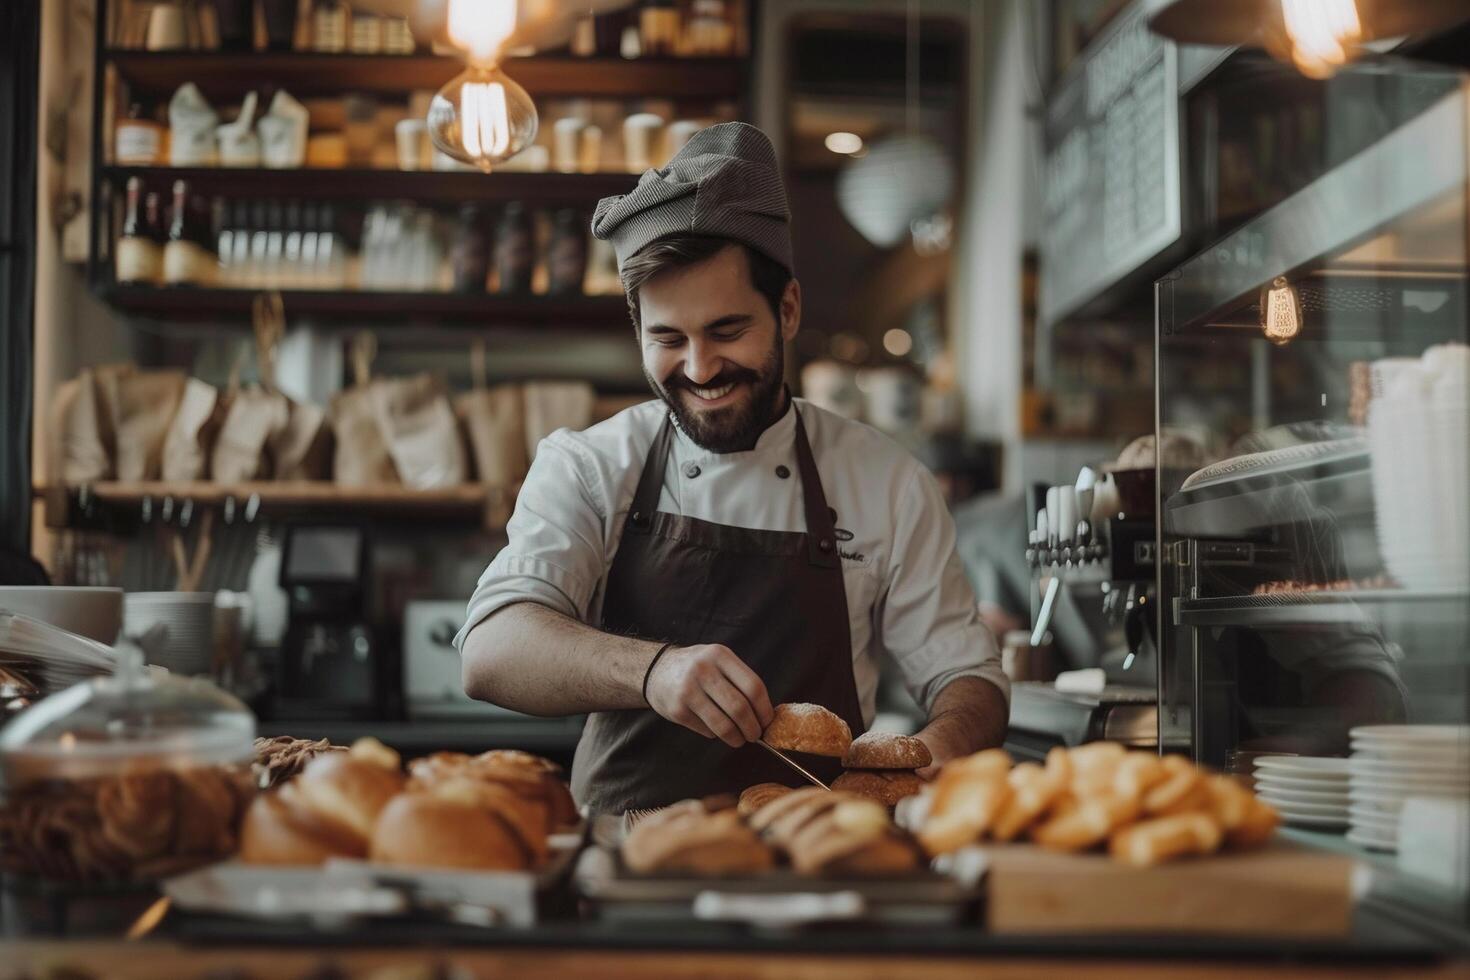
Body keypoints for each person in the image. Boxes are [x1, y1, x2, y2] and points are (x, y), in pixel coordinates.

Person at [455, 122, 1008, 813]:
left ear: (788, 310)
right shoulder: (592, 465)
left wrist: (947, 743)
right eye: (667, 339)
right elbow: (491, 650)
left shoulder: (887, 482)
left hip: (822, 863)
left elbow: (968, 676)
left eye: (726, 331)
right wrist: (654, 671)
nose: (698, 368)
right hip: (629, 863)